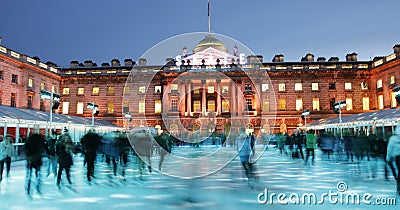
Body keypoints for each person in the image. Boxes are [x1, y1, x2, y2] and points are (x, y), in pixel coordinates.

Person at [25, 126, 48, 195]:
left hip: (33, 159)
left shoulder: (31, 138)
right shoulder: (39, 139)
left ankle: (31, 186)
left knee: (32, 173)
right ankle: (34, 186)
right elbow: (45, 147)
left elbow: (26, 147)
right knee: (35, 173)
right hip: (35, 158)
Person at [386, 126, 400, 195]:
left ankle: (399, 186)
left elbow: (389, 148)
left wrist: (388, 157)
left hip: (397, 157)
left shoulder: (393, 139)